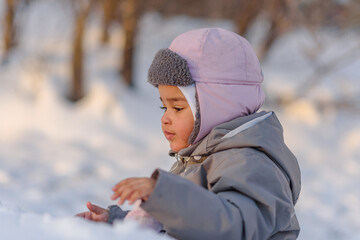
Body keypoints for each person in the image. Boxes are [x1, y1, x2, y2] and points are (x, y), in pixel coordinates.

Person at [76, 28, 301, 240]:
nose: (165, 118)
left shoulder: (250, 163)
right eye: (164, 107)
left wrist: (167, 197)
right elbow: (187, 222)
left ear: (218, 107)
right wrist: (119, 222)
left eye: (178, 107)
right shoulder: (201, 158)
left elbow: (233, 227)